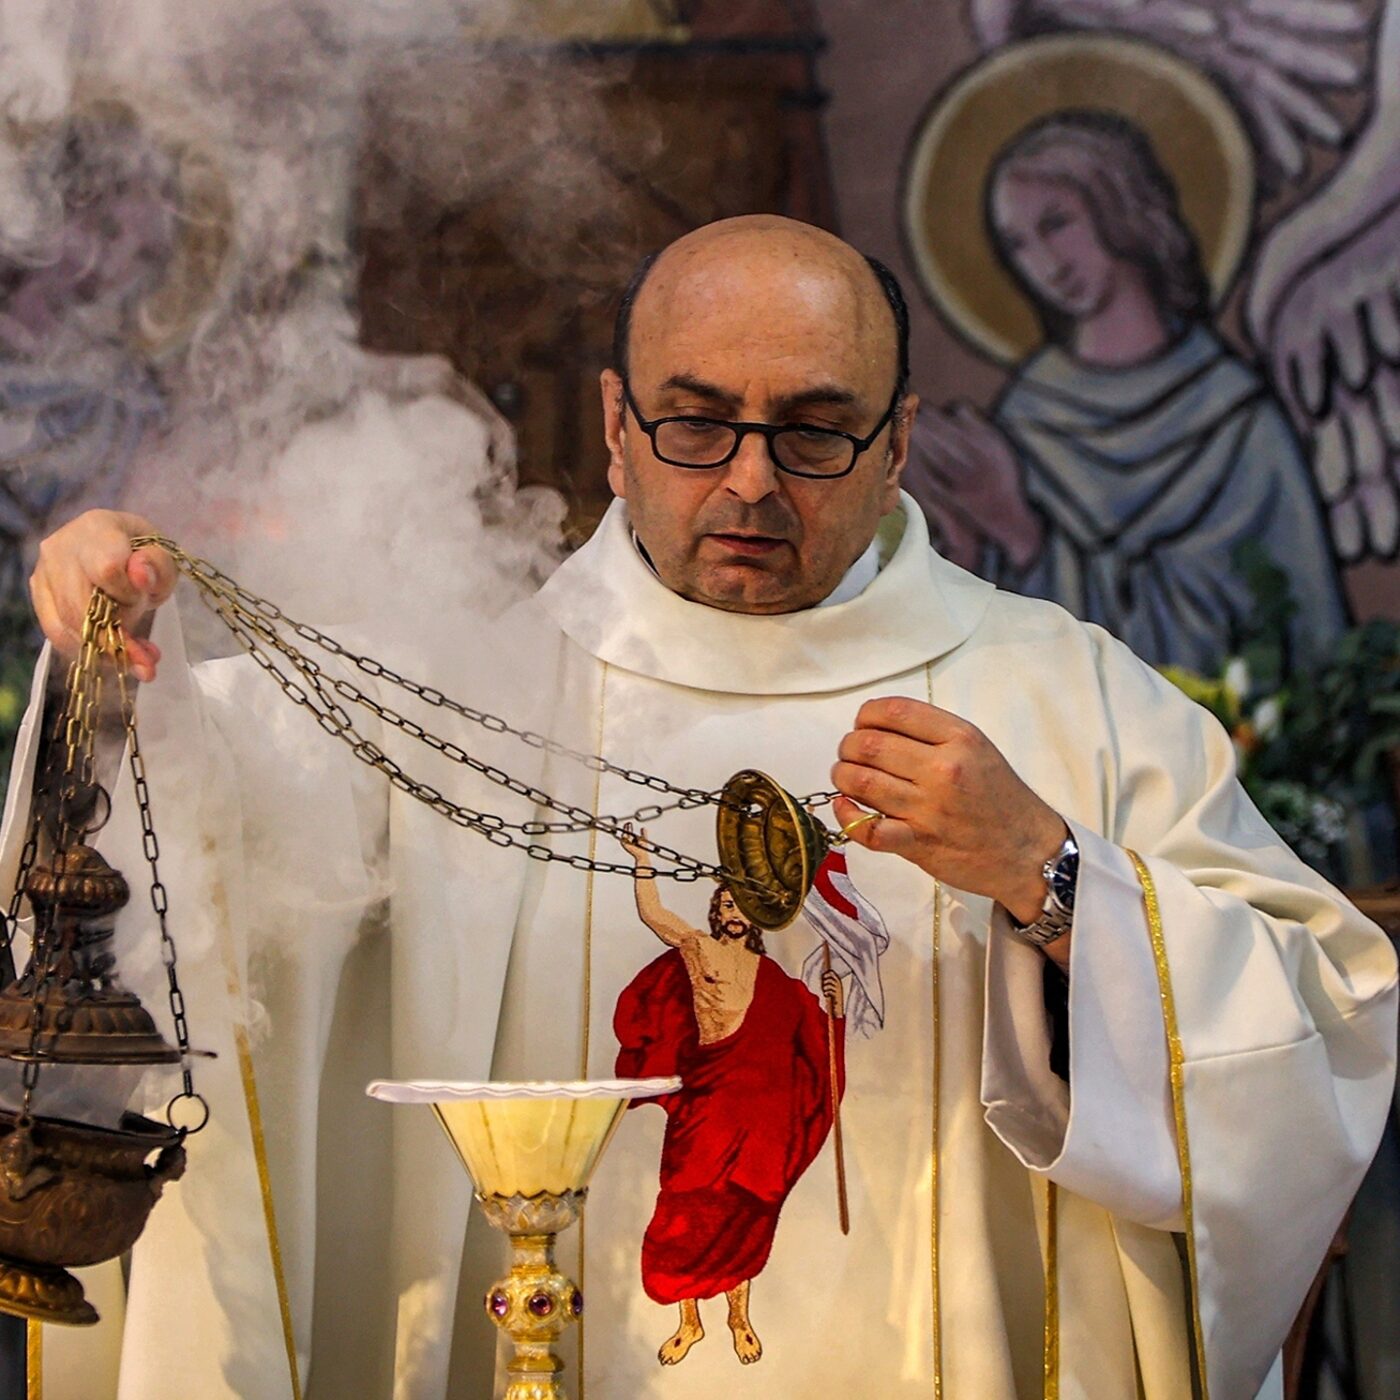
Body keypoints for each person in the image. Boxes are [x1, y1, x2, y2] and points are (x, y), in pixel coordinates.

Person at [12, 215, 1395, 1399]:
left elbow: (1312, 1034)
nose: (748, 481)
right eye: (697, 422)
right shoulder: (460, 690)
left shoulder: (1066, 703)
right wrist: (123, 668)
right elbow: (202, 864)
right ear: (617, 428)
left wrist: (1050, 872)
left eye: (813, 431)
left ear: (899, 440)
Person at [909, 110, 1350, 675]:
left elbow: (1284, 632)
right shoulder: (1027, 417)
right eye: (1017, 245)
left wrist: (1025, 533)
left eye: (1057, 223)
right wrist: (975, 544)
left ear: (1117, 206)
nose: (1044, 264)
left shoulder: (1236, 418)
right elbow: (1006, 643)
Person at [613, 829, 846, 1369]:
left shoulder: (774, 979)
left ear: (754, 914)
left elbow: (808, 1037)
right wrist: (644, 859)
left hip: (759, 1113)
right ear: (716, 913)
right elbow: (655, 915)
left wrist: (831, 1010)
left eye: (740, 902)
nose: (731, 909)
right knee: (684, 1206)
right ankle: (690, 1322)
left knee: (747, 1209)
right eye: (723, 902)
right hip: (707, 1102)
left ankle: (739, 1317)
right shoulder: (700, 950)